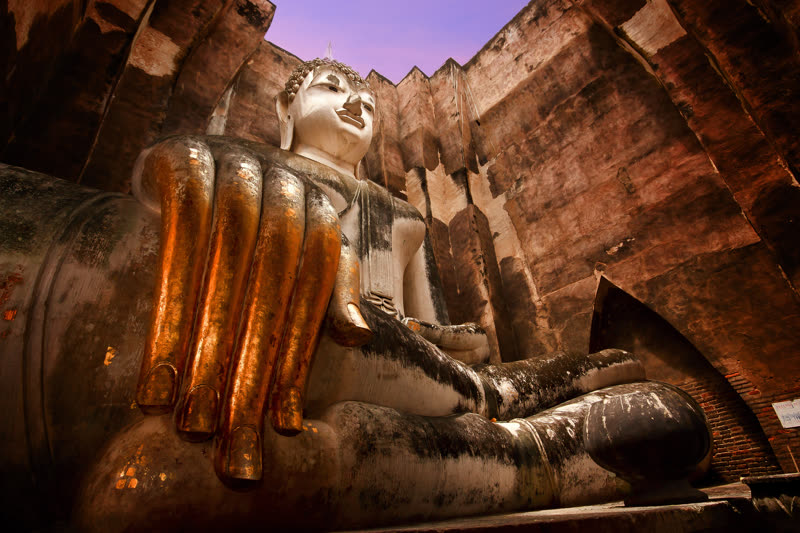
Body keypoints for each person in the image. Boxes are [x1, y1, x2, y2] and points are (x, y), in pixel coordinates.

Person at [0, 59, 711, 530]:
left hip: (398, 357)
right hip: (304, 359)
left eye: (367, 100)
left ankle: (516, 408)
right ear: (287, 105)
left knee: (486, 380)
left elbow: (429, 322)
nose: (356, 103)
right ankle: (523, 443)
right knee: (359, 396)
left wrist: (447, 345)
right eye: (333, 88)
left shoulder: (400, 216)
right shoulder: (242, 165)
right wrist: (196, 169)